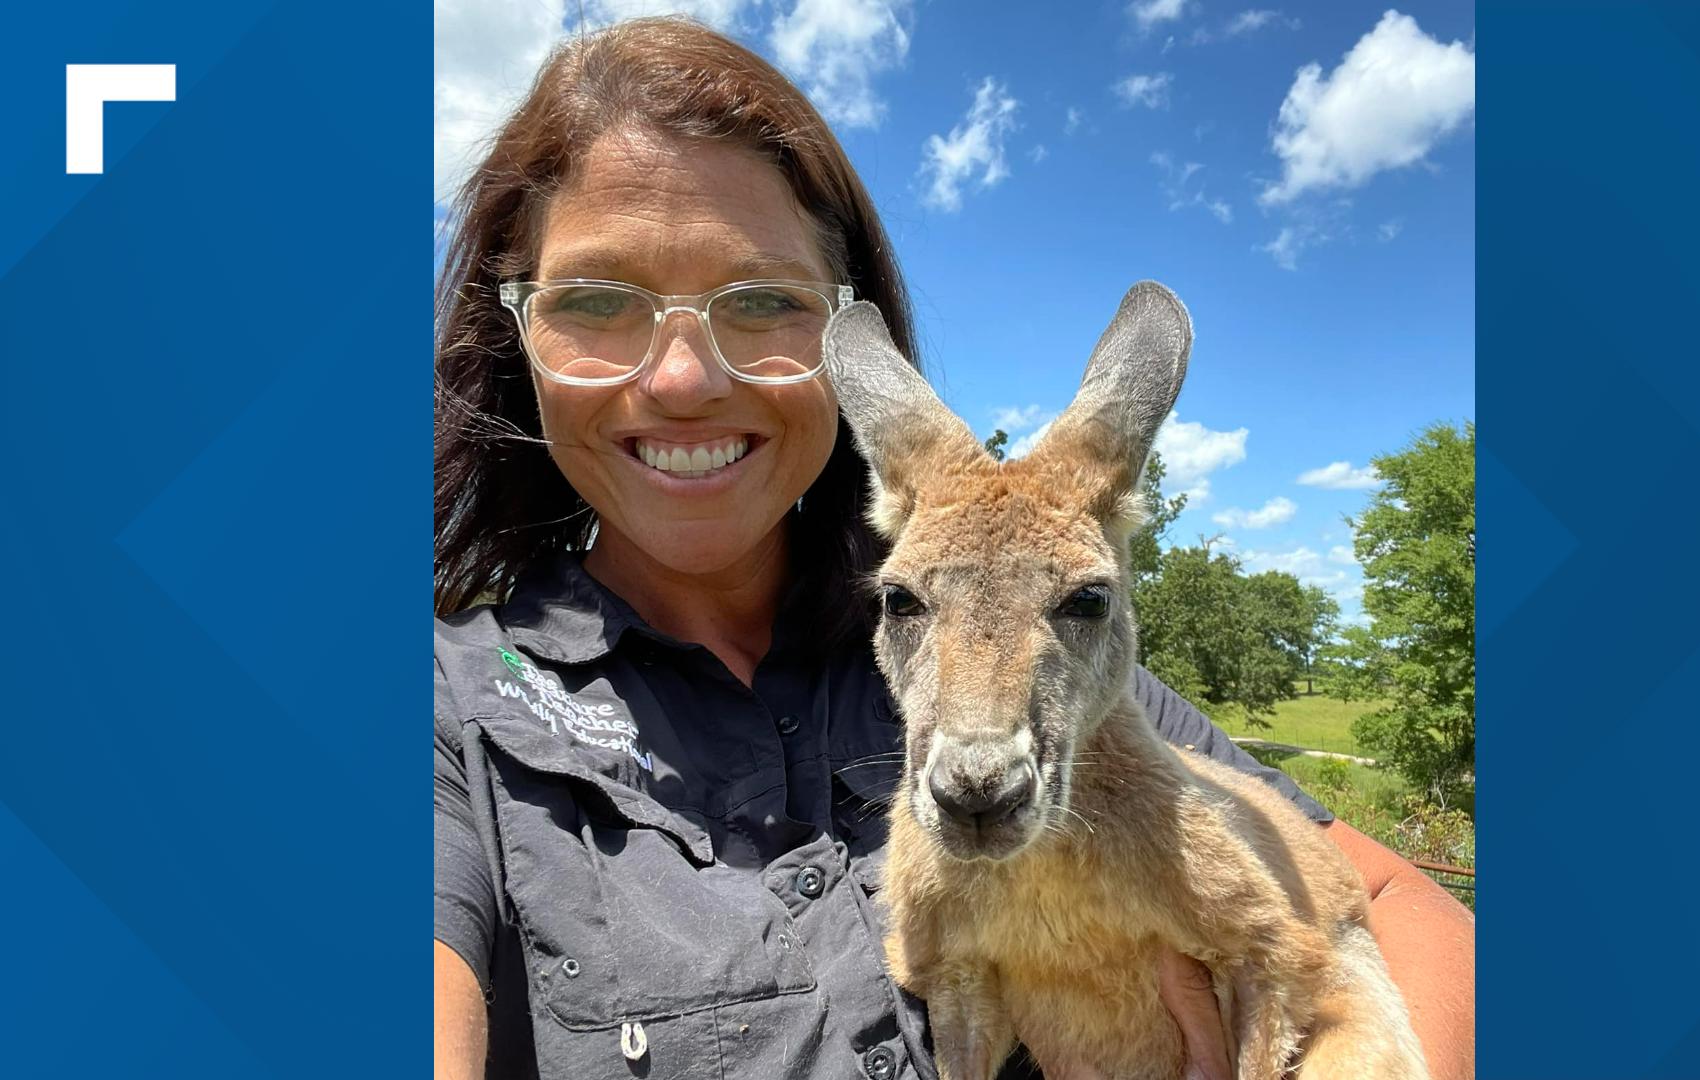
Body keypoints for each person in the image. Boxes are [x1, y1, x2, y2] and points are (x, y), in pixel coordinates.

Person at [433, 17, 1472, 1080]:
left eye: (763, 302)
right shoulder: (447, 716)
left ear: (841, 326)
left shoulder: (1056, 666)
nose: (684, 379)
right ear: (515, 327)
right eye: (598, 301)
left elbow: (1396, 908)